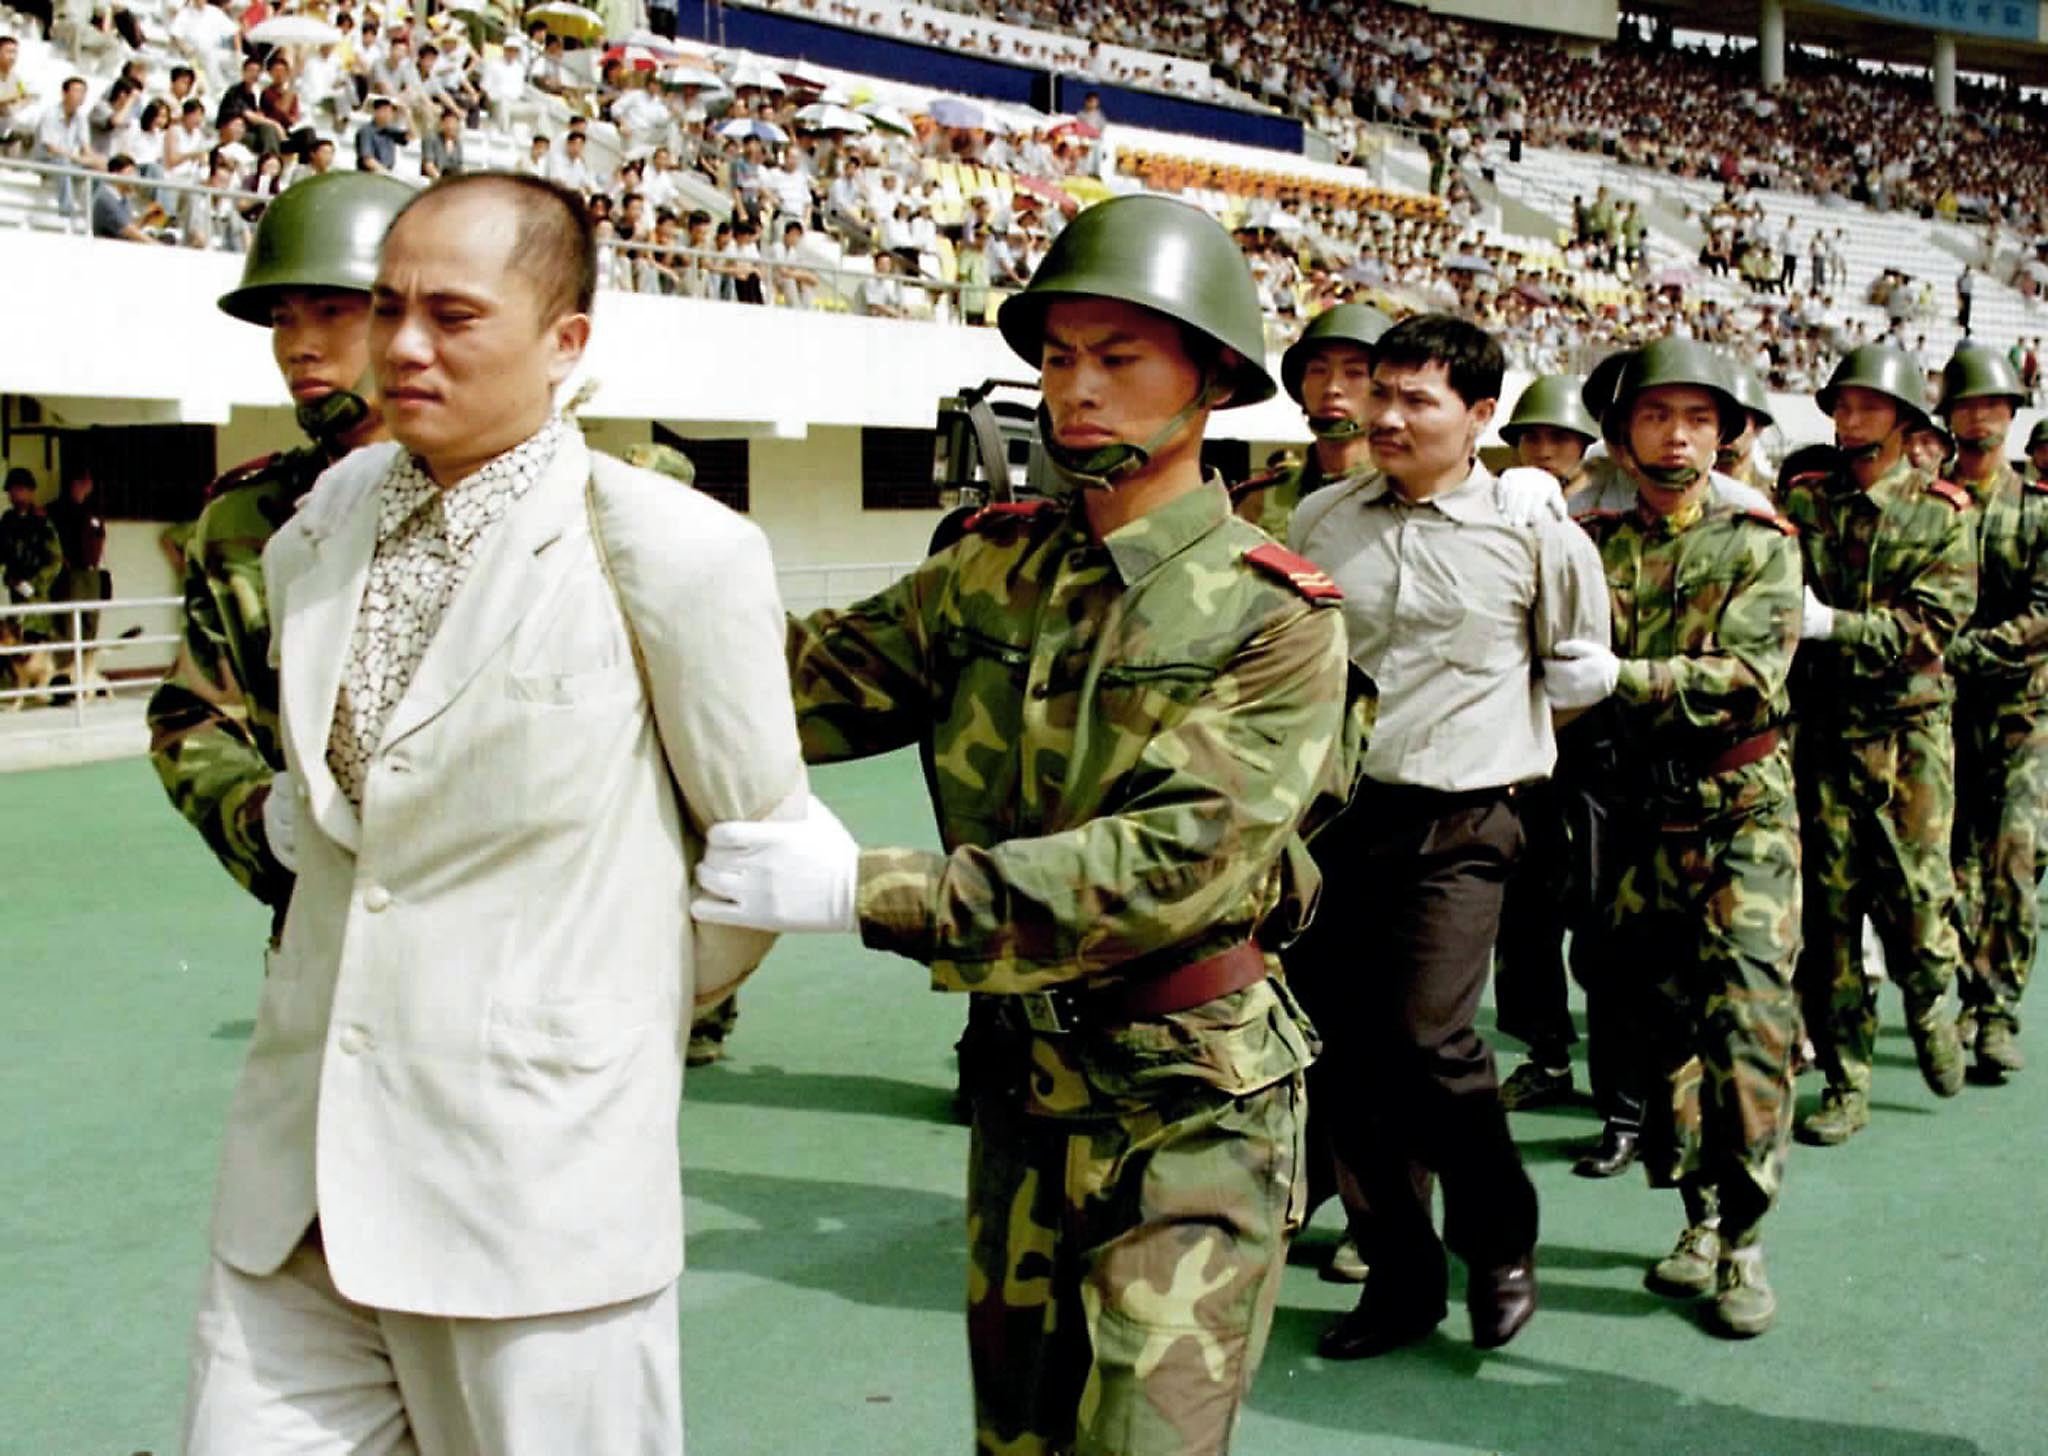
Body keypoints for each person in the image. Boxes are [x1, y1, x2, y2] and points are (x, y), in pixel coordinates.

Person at [692, 194, 1349, 1454]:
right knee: (1018, 1442)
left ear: (1209, 377)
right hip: (1023, 1082)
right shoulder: (988, 568)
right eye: (1055, 357)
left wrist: (866, 890)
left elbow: (1169, 868)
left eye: (1117, 357)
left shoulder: (1276, 616)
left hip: (1189, 1101)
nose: (1074, 390)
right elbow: (786, 689)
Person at [180, 173, 805, 1454]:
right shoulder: (316, 526)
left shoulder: (672, 548)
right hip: (296, 1183)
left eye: (453, 315)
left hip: (525, 1188)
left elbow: (755, 863)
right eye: (389, 306)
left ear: (565, 340)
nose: (401, 344)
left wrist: (577, 1023)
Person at [1289, 314, 1610, 1360]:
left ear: (1479, 416)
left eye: (1413, 399)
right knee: (1342, 1057)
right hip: (1339, 819)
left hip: (1465, 817)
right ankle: (1399, 1275)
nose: (1381, 415)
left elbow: (1572, 674)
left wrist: (1491, 742)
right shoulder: (1321, 520)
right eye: (1376, 393)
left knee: (1429, 1039)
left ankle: (1498, 1235)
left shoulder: (1538, 535)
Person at [1550, 338, 1803, 1337]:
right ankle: (1694, 1213)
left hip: (1742, 816)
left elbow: (1749, 676)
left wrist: (1621, 680)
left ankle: (1743, 1238)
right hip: (1632, 822)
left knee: (1746, 1029)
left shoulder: (1760, 544)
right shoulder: (1587, 544)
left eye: (1698, 418)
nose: (1678, 436)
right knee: (1649, 1040)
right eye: (1657, 417)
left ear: (1726, 435)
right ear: (1620, 435)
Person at [149, 170, 413, 916]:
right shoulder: (248, 519)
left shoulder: (529, 495)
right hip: (327, 929)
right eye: (282, 319)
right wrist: (257, 816)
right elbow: (188, 714)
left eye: (332, 311)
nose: (300, 346)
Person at [1781, 344, 1975, 1146]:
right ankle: (1845, 1078)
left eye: (1868, 404)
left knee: (1921, 904)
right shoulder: (1804, 500)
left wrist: (1830, 624)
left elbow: (1928, 629)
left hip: (1908, 736)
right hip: (1825, 734)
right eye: (1842, 404)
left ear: (1903, 421)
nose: (1850, 417)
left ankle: (1931, 997)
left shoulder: (1941, 514)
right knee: (1830, 918)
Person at [1489, 370, 1601, 1119]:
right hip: (1518, 746)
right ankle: (1544, 1052)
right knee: (1521, 919)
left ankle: (1622, 1076)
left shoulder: (1613, 514)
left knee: (1599, 913)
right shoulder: (1492, 509)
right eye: (1530, 437)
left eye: (1558, 438)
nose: (1543, 450)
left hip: (1595, 748)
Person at [1936, 347, 2044, 1081]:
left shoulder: (2036, 510)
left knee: (2014, 855)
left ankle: (1997, 1010)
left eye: (1992, 407)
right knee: (1949, 870)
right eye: (1967, 406)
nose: (1979, 418)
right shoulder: (1929, 503)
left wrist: (1962, 651)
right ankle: (1963, 998)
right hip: (1938, 718)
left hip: (2023, 714)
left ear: (2010, 415)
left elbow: (2045, 612)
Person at [1231, 301, 1389, 541]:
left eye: (1355, 373)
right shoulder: (1261, 499)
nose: (1332, 388)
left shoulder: (1408, 497)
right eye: (1318, 370)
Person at [1, 468, 63, 641]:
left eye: (20, 490)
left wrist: (33, 584)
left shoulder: (41, 522)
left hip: (37, 596)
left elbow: (55, 560)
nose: (15, 495)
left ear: (30, 492)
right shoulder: (7, 520)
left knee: (35, 640)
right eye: (12, 490)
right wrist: (10, 578)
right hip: (15, 593)